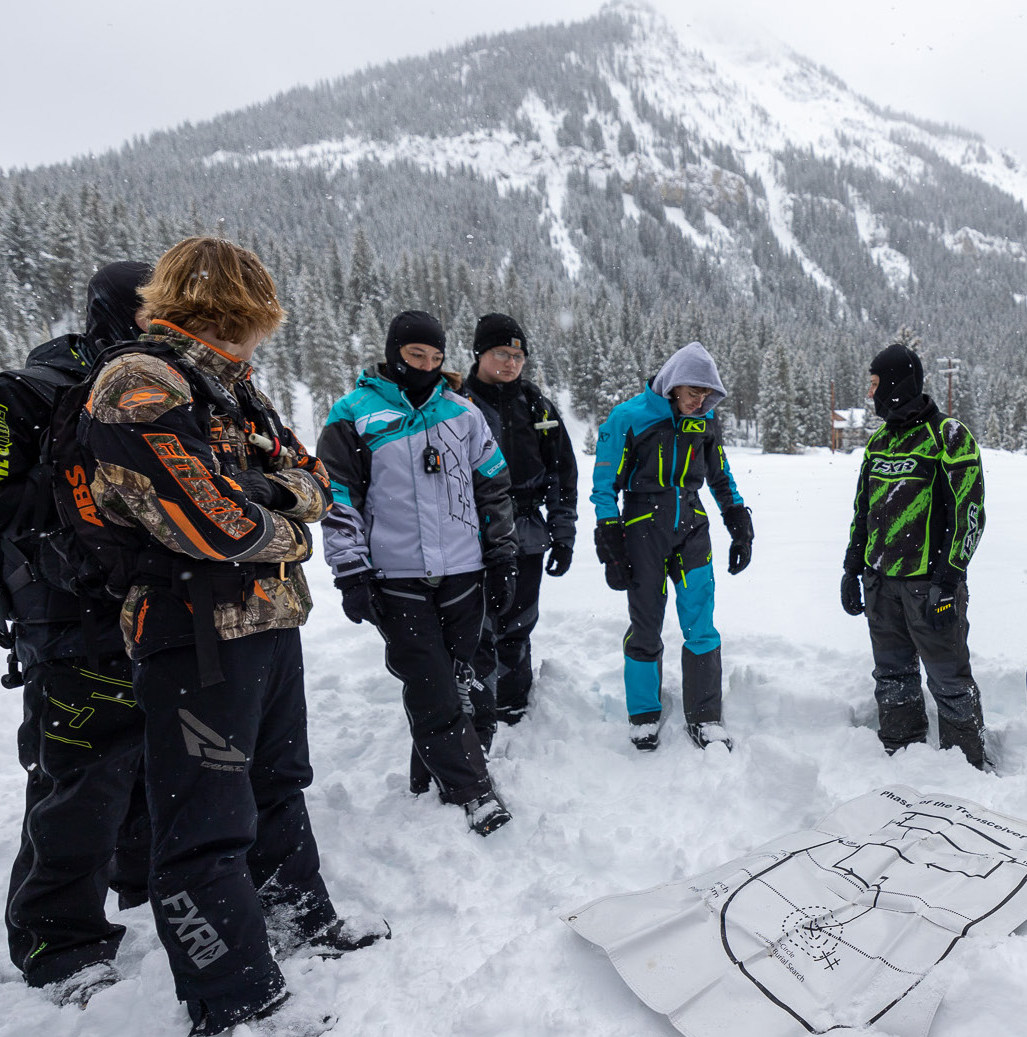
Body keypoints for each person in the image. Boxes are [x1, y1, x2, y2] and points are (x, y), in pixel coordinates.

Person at [84, 236, 384, 1037]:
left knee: (279, 784)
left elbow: (313, 481)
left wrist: (271, 500)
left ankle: (298, 919)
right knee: (204, 817)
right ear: (232, 311)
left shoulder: (231, 386)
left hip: (266, 621)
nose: (259, 336)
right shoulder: (138, 382)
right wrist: (282, 527)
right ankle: (234, 992)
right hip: (192, 632)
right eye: (254, 318)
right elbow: (209, 521)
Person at [0, 262, 154, 1004]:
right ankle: (54, 939)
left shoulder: (158, 383)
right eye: (153, 310)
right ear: (115, 313)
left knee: (148, 752)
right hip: (64, 611)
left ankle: (142, 876)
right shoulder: (28, 390)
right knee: (79, 772)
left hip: (149, 601)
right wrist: (79, 488)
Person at [318, 310, 517, 834]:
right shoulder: (352, 415)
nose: (427, 367)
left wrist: (501, 555)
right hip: (394, 575)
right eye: (415, 357)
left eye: (435, 358)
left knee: (465, 675)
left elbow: (493, 486)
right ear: (393, 353)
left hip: (463, 571)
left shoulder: (462, 412)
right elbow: (338, 497)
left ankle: (430, 775)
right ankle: (473, 791)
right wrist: (350, 571)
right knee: (430, 679)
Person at [590, 341, 751, 750]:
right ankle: (643, 713)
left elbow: (720, 477)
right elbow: (603, 485)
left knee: (701, 621)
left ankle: (705, 715)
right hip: (643, 528)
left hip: (693, 527)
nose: (700, 402)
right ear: (673, 385)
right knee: (646, 625)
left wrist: (738, 522)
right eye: (693, 393)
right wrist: (610, 540)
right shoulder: (628, 418)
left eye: (707, 395)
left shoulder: (706, 422)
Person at [840, 343, 987, 768]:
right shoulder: (880, 442)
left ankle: (965, 766)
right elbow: (862, 511)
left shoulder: (949, 437)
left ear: (895, 384)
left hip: (930, 588)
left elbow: (970, 515)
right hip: (881, 584)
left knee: (950, 681)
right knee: (892, 676)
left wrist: (949, 579)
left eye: (874, 384)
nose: (870, 395)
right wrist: (852, 569)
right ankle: (901, 754)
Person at [459, 313, 578, 740]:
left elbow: (563, 473)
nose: (511, 363)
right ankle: (475, 704)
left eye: (518, 355)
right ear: (479, 354)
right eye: (501, 354)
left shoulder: (537, 405)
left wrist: (563, 535)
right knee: (476, 625)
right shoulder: (457, 401)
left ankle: (512, 700)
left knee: (519, 620)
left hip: (527, 531)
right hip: (468, 533)